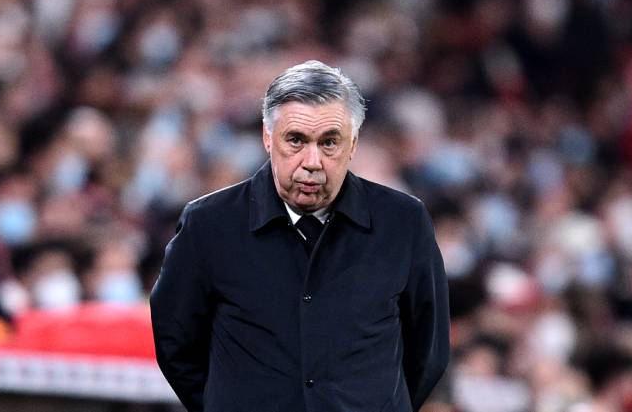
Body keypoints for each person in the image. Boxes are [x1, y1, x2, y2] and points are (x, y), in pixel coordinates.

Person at [150, 60, 450, 412]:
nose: (312, 161)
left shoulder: (404, 222)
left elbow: (428, 351)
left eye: (329, 143)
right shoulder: (208, 224)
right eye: (296, 140)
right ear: (267, 137)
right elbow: (176, 342)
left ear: (353, 144)